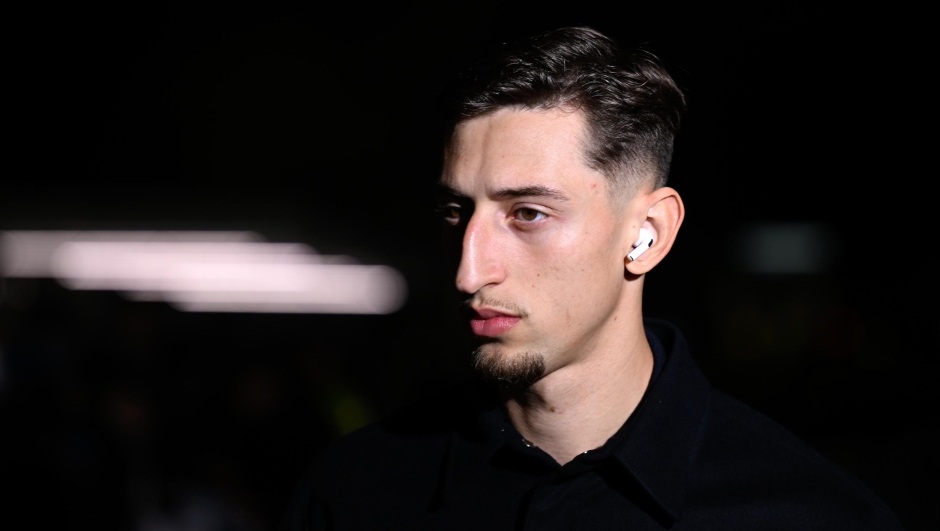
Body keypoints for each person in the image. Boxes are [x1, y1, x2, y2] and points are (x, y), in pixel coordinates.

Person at [282, 27, 903, 530]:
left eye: (528, 214)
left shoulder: (811, 514)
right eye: (456, 212)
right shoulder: (353, 493)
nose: (469, 272)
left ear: (648, 234)